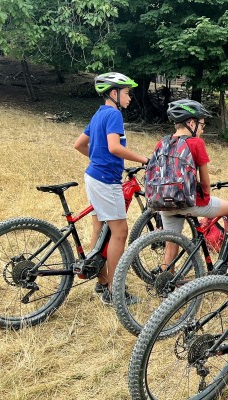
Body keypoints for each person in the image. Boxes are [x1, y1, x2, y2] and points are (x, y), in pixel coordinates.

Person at [73, 72, 149, 305]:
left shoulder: (99, 114)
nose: (129, 97)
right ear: (114, 94)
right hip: (105, 180)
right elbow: (114, 147)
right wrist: (143, 160)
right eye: (126, 93)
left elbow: (79, 144)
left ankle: (101, 280)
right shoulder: (114, 114)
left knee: (100, 227)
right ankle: (115, 291)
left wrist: (98, 160)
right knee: (120, 232)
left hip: (93, 176)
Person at [156, 99, 228, 274]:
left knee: (171, 243)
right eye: (202, 125)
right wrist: (205, 196)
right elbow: (205, 180)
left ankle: (166, 280)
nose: (202, 129)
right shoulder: (196, 143)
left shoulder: (163, 142)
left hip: (164, 203)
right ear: (191, 123)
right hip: (189, 202)